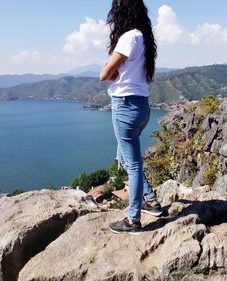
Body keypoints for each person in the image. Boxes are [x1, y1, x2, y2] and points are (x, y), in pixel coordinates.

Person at [99, 0, 162, 235]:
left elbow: (104, 74)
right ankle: (151, 201)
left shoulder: (128, 37)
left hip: (125, 106)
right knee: (125, 159)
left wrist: (110, 65)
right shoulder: (145, 39)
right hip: (142, 107)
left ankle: (133, 220)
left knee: (133, 164)